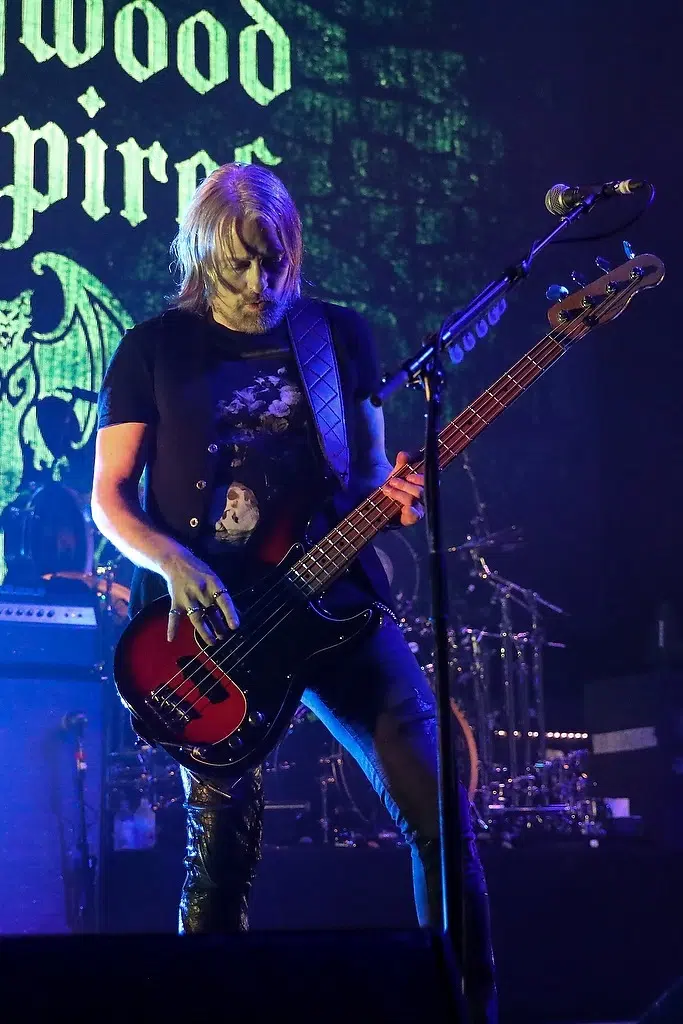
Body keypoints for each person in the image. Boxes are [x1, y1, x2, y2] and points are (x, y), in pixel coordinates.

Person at [92, 162, 497, 1022]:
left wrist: (394, 500)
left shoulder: (338, 336)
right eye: (237, 261)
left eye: (272, 259)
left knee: (442, 814)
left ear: (293, 249)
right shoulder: (152, 348)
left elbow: (365, 479)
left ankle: (468, 1010)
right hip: (217, 631)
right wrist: (171, 561)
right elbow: (109, 497)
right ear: (202, 253)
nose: (258, 281)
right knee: (220, 859)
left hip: (336, 605)